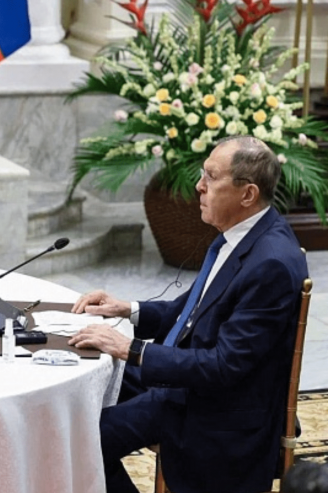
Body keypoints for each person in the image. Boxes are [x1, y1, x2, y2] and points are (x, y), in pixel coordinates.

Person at [68, 136, 308, 493]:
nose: (199, 186)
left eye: (211, 177)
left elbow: (224, 366)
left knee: (79, 443)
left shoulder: (270, 263)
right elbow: (192, 312)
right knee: (82, 382)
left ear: (248, 194)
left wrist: (130, 349)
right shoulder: (241, 233)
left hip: (214, 412)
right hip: (188, 384)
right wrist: (126, 309)